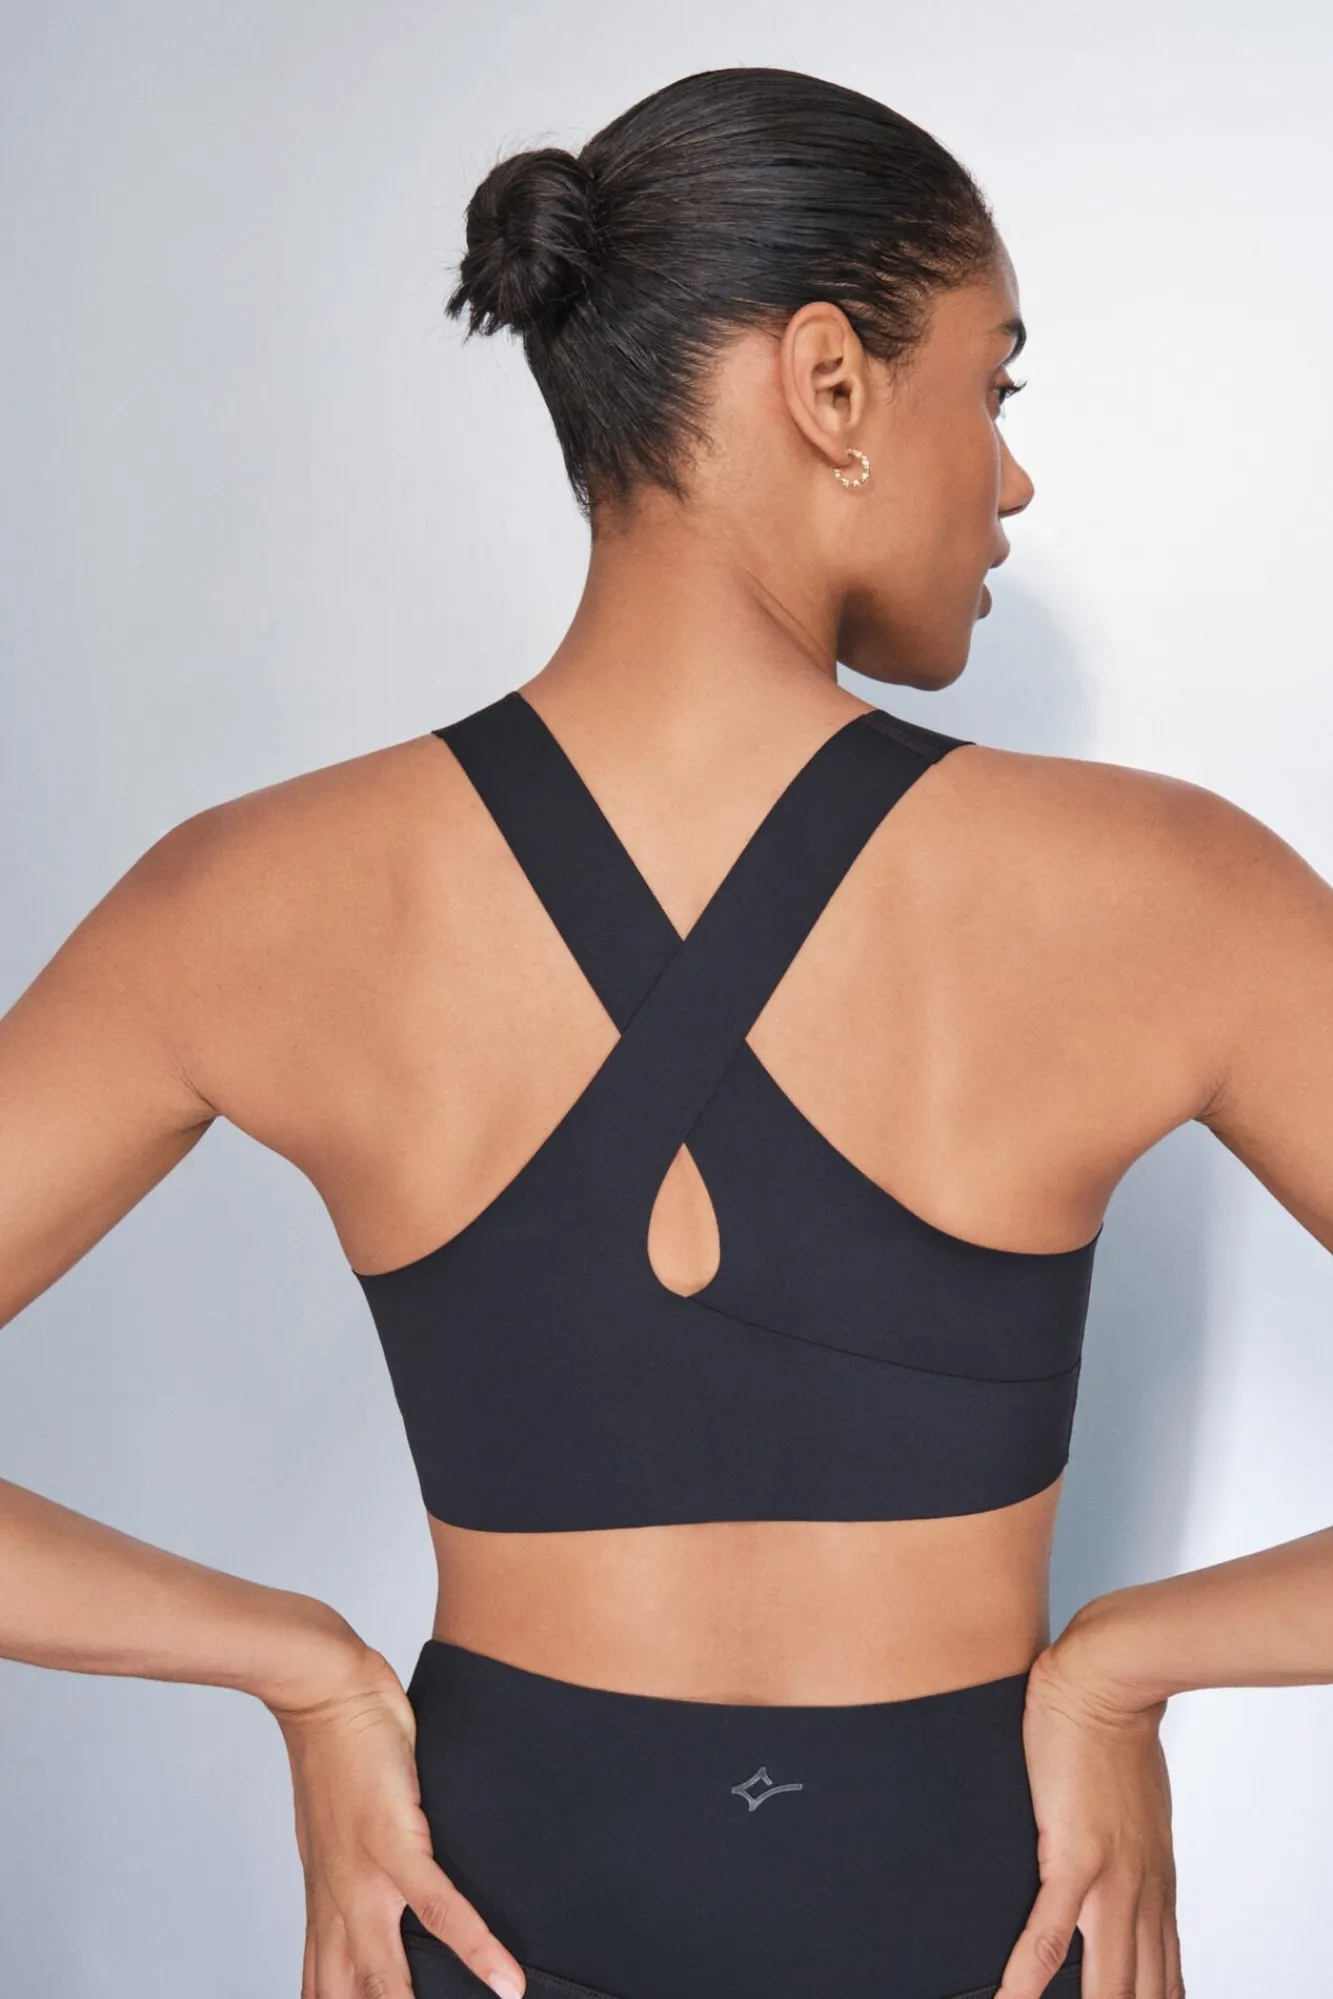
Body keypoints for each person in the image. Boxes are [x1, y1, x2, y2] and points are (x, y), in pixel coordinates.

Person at [2, 59, 1332, 1999]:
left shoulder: (256, 897)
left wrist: (297, 1665)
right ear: (832, 383)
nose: (1014, 478)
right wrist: (1132, 1663)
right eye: (997, 386)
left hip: (484, 1930)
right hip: (996, 1926)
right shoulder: (1170, 891)